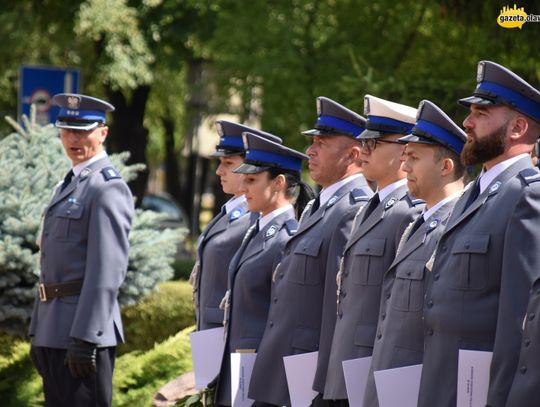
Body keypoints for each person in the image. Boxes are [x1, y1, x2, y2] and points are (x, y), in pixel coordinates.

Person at [418, 60, 540, 407]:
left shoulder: (527, 195)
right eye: (470, 113)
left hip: (479, 393)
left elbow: (521, 321)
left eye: (481, 113)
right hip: (442, 384)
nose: (467, 123)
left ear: (517, 127)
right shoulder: (474, 193)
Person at [248, 97, 374, 406]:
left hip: (308, 372)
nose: (310, 151)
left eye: (322, 143)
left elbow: (339, 302)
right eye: (312, 142)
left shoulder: (351, 209)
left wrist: (325, 383)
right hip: (286, 365)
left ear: (352, 154)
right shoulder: (322, 205)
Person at [28, 93, 134, 406]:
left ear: (102, 133)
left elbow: (107, 269)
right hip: (54, 329)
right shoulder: (67, 184)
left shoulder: (107, 187)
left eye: (82, 131)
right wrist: (39, 328)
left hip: (82, 333)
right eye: (67, 130)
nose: (73, 139)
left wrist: (86, 337)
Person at [361, 100, 466, 407]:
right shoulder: (418, 223)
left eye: (414, 158)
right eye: (405, 156)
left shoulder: (453, 228)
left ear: (445, 167)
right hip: (391, 385)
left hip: (418, 389)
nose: (404, 166)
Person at [323, 95, 424, 405]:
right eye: (364, 143)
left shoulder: (411, 211)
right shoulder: (370, 208)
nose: (364, 151)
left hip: (374, 367)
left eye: (375, 143)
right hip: (348, 365)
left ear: (404, 149)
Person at [215, 132, 314, 406]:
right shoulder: (258, 230)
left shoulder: (286, 237)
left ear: (279, 183)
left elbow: (283, 314)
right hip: (239, 364)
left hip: (260, 370)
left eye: (252, 180)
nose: (243, 187)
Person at [190, 121, 282, 331]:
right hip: (211, 331)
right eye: (220, 163)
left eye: (228, 164)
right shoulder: (231, 211)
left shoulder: (256, 218)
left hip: (232, 333)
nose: (219, 171)